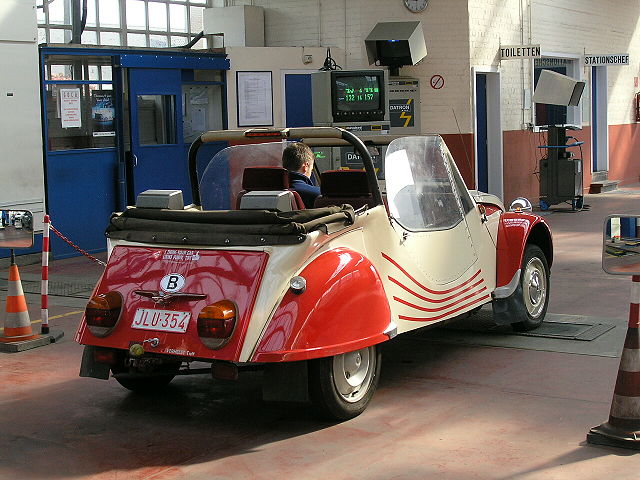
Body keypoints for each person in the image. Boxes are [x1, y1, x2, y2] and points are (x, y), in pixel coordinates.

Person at [282, 142, 321, 208]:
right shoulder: (319, 196)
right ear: (306, 166)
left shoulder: (270, 193)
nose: (311, 173)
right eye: (311, 170)